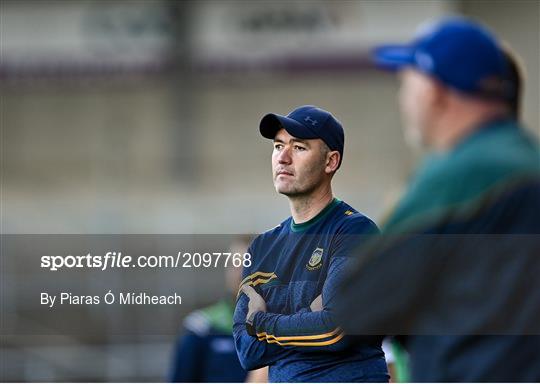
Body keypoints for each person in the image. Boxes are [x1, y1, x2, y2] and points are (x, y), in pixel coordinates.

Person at [336, 17, 540, 382]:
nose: (402, 98)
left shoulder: (460, 176)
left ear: (434, 92)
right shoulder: (527, 161)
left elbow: (357, 307)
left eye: (405, 83)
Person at [233, 105, 389, 382]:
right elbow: (248, 351)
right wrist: (309, 316)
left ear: (331, 162)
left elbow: (334, 330)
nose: (283, 157)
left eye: (299, 148)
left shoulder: (355, 232)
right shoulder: (262, 248)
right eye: (278, 146)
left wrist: (263, 321)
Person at [169, 238, 250, 382]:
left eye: (249, 264)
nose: (240, 273)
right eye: (235, 264)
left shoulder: (282, 331)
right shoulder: (202, 327)